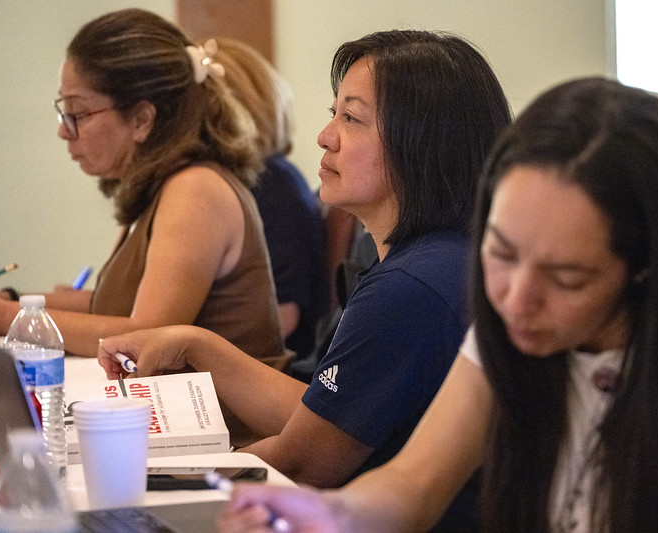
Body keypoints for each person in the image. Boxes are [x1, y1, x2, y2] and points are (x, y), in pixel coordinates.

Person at [216, 77, 658, 533]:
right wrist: (330, 514)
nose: (516, 299)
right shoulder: (506, 328)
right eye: (501, 253)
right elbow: (412, 486)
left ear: (646, 266)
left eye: (566, 277)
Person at [98, 29, 511, 530]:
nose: (325, 135)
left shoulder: (411, 287)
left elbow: (302, 461)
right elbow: (327, 416)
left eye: (352, 118)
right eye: (334, 113)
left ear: (421, 143)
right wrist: (195, 345)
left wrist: (136, 481)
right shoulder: (438, 258)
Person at [0, 9, 288, 370]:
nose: (64, 131)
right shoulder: (155, 186)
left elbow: (145, 335)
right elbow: (113, 305)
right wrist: (11, 300)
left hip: (228, 423)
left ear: (142, 119)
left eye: (77, 113)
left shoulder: (195, 189)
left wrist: (6, 317)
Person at [214, 38, 327, 363]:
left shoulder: (273, 184)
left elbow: (284, 316)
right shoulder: (253, 180)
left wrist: (194, 341)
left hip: (280, 365)